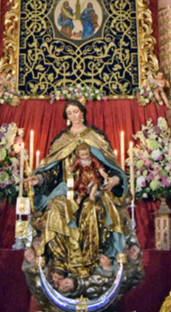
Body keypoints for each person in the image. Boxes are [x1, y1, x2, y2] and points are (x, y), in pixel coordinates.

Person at [27, 99, 127, 281]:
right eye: (70, 113)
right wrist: (39, 178)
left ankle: (90, 263)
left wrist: (114, 179)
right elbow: (51, 171)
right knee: (55, 209)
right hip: (66, 191)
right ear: (66, 117)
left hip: (93, 188)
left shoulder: (96, 137)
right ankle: (60, 263)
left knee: (92, 209)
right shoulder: (61, 140)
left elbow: (109, 166)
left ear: (83, 113)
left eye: (76, 111)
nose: (74, 115)